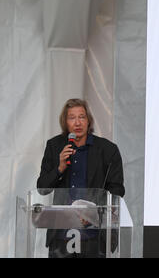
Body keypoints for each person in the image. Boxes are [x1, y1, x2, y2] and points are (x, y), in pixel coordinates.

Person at [37, 98, 125, 258]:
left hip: (95, 234)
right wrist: (60, 168)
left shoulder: (107, 150)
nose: (77, 122)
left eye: (82, 117)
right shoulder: (54, 146)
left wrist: (92, 213)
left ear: (88, 120)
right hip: (61, 235)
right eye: (72, 117)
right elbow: (42, 188)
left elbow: (117, 189)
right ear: (65, 122)